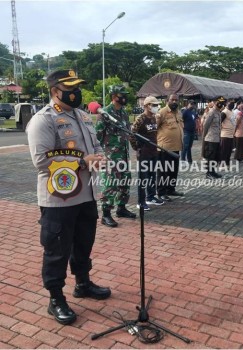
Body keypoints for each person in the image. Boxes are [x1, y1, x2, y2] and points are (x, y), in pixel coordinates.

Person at [26, 69, 111, 326]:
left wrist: (99, 157)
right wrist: (82, 161)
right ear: (55, 91)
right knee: (57, 249)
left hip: (86, 193)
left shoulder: (83, 116)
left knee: (84, 242)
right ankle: (55, 299)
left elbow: (94, 146)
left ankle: (83, 283)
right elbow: (41, 161)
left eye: (77, 87)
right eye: (70, 88)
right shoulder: (44, 119)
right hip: (58, 199)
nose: (76, 92)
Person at [95, 85, 136, 228]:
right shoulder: (105, 113)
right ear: (114, 97)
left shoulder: (124, 113)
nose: (124, 97)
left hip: (123, 155)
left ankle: (121, 208)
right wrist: (101, 155)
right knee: (110, 184)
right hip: (110, 157)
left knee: (125, 182)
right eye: (121, 95)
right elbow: (97, 137)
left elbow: (127, 133)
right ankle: (106, 214)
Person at [130, 96, 164, 211]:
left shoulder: (154, 118)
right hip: (144, 153)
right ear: (146, 106)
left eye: (156, 105)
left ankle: (151, 196)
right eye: (153, 105)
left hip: (153, 152)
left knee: (152, 176)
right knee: (143, 178)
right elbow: (132, 134)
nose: (156, 107)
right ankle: (141, 201)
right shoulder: (141, 119)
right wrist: (137, 149)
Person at [156, 94, 184, 201]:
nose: (174, 101)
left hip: (176, 147)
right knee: (163, 171)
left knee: (173, 170)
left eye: (176, 100)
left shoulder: (178, 113)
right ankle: (161, 192)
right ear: (167, 100)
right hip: (164, 148)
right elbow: (154, 128)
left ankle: (170, 189)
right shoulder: (162, 112)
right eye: (172, 99)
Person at [203, 96, 226, 178]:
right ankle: (208, 173)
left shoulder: (219, 112)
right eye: (219, 102)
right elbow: (205, 125)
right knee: (210, 157)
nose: (221, 104)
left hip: (217, 138)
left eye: (222, 103)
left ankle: (213, 172)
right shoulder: (212, 112)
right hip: (211, 138)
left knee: (216, 156)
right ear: (215, 102)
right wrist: (204, 137)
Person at [181, 100, 197, 164]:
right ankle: (183, 159)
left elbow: (195, 119)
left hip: (192, 131)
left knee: (189, 146)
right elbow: (181, 120)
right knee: (185, 146)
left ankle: (189, 160)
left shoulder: (193, 112)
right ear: (188, 104)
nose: (192, 105)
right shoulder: (185, 112)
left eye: (193, 104)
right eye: (191, 104)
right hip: (186, 131)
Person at [220, 99, 235, 165]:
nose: (232, 105)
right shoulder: (224, 112)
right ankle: (222, 163)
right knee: (224, 150)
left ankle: (227, 162)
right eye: (230, 103)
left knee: (229, 150)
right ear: (226, 104)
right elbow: (219, 122)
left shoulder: (231, 112)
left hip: (231, 134)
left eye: (233, 103)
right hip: (225, 134)